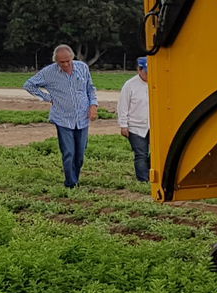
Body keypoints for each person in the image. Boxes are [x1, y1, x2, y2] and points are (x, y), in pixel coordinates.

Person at [23, 44, 100, 189]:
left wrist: (93, 105)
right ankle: (70, 184)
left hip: (82, 117)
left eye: (67, 61)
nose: (65, 64)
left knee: (80, 154)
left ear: (72, 58)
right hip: (63, 118)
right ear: (56, 61)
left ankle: (75, 178)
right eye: (61, 62)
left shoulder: (82, 68)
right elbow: (29, 85)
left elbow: (90, 88)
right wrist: (47, 98)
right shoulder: (49, 72)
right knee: (69, 152)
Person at [117, 56, 151, 183]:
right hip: (135, 126)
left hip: (153, 125)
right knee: (141, 154)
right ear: (139, 70)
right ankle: (143, 180)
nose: (148, 75)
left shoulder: (157, 83)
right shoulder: (130, 85)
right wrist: (123, 125)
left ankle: (153, 175)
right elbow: (123, 106)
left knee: (157, 154)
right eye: (146, 72)